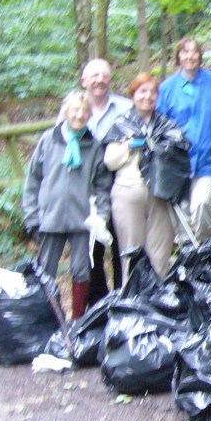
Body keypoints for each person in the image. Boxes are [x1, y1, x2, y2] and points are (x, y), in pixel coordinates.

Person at [23, 91, 112, 319]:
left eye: (84, 111)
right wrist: (32, 216)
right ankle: (46, 318)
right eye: (75, 110)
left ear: (90, 114)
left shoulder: (94, 146)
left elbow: (102, 186)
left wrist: (101, 217)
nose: (79, 115)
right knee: (46, 271)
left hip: (81, 220)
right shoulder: (49, 140)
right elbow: (33, 179)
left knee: (82, 271)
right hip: (50, 217)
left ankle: (78, 320)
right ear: (65, 112)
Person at [103, 73, 188, 282]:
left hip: (160, 194)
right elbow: (110, 161)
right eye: (142, 91)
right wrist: (128, 146)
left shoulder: (168, 125)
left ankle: (155, 302)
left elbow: (180, 156)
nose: (147, 96)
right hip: (129, 192)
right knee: (132, 253)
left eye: (152, 92)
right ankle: (132, 301)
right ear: (133, 95)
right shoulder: (121, 124)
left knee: (160, 254)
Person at [157, 38, 211, 243]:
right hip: (177, 162)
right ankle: (186, 252)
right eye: (185, 52)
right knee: (180, 212)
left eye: (194, 52)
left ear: (200, 56)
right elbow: (158, 120)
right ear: (178, 57)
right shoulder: (167, 88)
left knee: (201, 205)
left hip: (205, 160)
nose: (190, 56)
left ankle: (205, 247)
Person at [78, 58, 132, 305]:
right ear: (84, 82)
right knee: (92, 251)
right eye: (94, 76)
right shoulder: (74, 108)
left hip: (120, 185)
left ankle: (124, 299)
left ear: (110, 79)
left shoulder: (125, 107)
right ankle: (99, 304)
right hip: (87, 189)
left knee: (122, 248)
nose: (99, 80)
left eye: (104, 75)